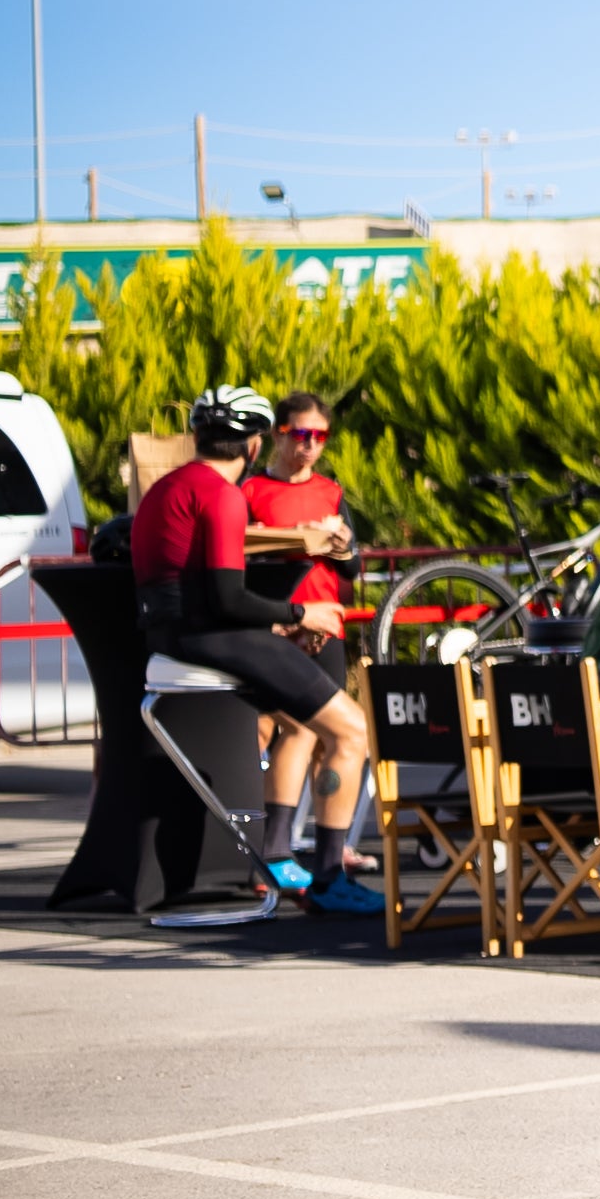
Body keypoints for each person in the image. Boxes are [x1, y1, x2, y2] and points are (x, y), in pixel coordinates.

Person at [130, 385, 382, 915]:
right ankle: (331, 877)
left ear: (199, 435)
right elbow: (225, 596)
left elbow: (198, 594)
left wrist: (278, 629)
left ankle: (277, 857)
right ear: (253, 445)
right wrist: (299, 615)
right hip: (213, 639)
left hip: (178, 635)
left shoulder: (167, 487)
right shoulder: (221, 494)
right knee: (352, 729)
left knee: (295, 726)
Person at [238, 389, 373, 896]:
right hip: (276, 625)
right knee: (272, 732)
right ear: (278, 433)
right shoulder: (251, 492)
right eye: (301, 435)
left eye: (320, 437)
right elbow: (239, 567)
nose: (310, 446)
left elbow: (354, 566)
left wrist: (340, 547)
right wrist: (280, 621)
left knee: (322, 738)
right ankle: (270, 851)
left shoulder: (331, 492)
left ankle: (321, 855)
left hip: (326, 626)